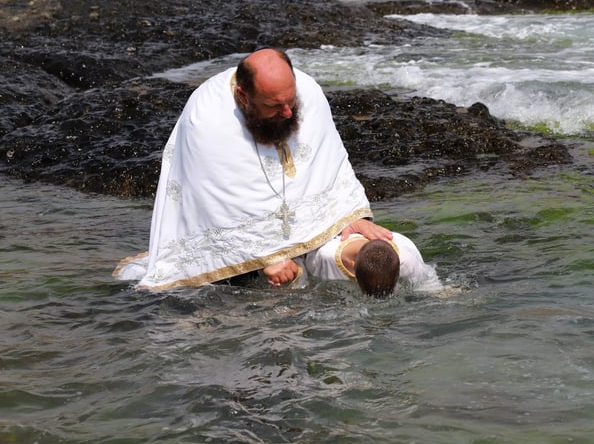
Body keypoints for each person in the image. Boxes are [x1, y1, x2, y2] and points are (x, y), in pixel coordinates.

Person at [114, 48, 392, 291]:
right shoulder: (206, 120)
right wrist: (264, 257)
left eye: (290, 102)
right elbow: (211, 199)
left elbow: (328, 161)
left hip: (300, 218)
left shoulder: (307, 90)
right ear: (243, 97)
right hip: (235, 232)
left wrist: (346, 214)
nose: (286, 113)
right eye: (272, 106)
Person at [301, 231, 435, 297]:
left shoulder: (407, 261)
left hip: (394, 240)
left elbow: (428, 280)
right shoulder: (325, 257)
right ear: (353, 266)